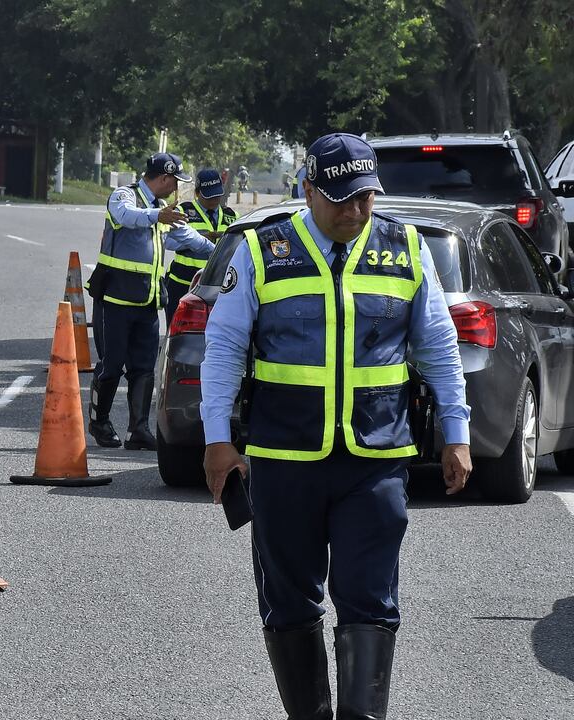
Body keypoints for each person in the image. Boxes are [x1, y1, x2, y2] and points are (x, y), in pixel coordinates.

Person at [200, 132, 471, 720]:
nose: (354, 212)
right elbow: (222, 348)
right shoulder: (261, 251)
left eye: (365, 199)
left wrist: (457, 432)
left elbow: (438, 346)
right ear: (308, 191)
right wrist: (218, 440)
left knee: (370, 598)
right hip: (283, 460)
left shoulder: (405, 249)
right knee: (289, 601)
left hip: (375, 461)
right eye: (341, 199)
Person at [85, 152, 215, 450]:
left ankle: (138, 429)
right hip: (115, 299)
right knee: (112, 364)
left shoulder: (160, 210)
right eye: (175, 182)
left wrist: (224, 251)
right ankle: (100, 421)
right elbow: (126, 217)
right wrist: (158, 216)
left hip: (147, 301)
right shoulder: (124, 197)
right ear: (164, 177)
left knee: (144, 367)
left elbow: (189, 239)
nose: (175, 189)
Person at [164, 168, 238, 325]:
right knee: (177, 331)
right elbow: (167, 242)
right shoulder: (183, 212)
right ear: (197, 193)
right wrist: (199, 239)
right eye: (209, 196)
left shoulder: (232, 216)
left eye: (217, 195)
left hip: (217, 285)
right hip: (182, 283)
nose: (214, 200)